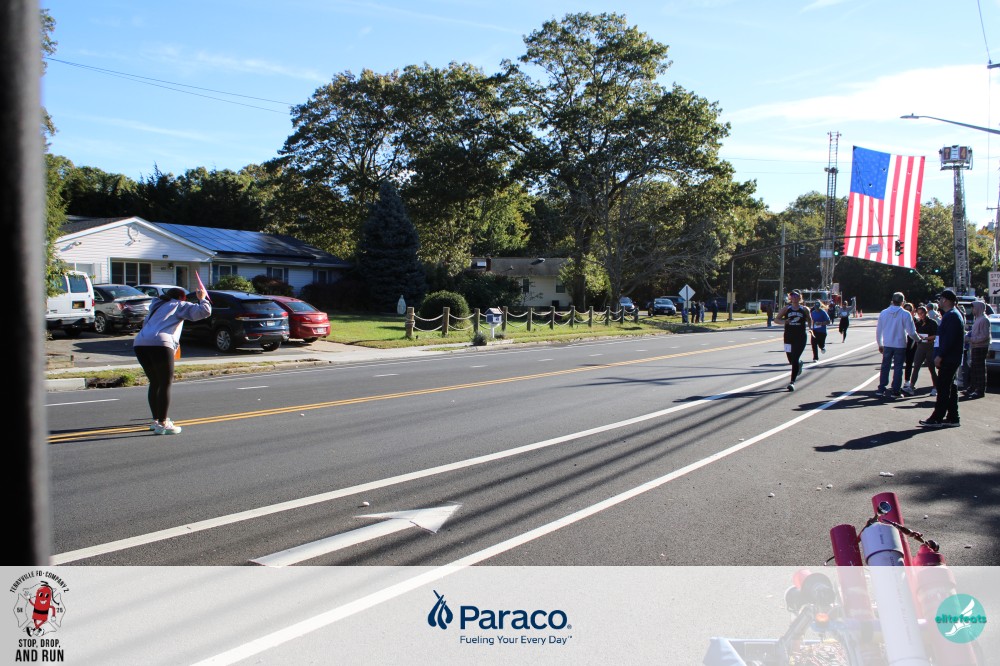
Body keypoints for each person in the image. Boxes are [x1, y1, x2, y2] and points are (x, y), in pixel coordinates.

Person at [133, 286, 212, 435]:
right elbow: (204, 312)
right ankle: (163, 424)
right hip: (161, 343)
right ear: (182, 297)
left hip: (140, 343)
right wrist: (202, 299)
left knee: (155, 382)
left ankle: (156, 420)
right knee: (165, 383)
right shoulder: (179, 304)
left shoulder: (156, 306)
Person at [920, 290, 965, 427]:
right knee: (950, 388)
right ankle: (953, 417)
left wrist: (940, 355)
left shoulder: (952, 316)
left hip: (948, 358)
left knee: (943, 388)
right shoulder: (952, 314)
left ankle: (937, 418)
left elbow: (949, 339)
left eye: (940, 299)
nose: (939, 301)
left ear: (945, 300)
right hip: (951, 357)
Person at [874, 291, 918, 399]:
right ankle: (895, 390)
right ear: (902, 302)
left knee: (885, 366)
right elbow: (911, 332)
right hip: (900, 344)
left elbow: (879, 330)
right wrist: (918, 340)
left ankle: (881, 388)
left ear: (892, 301)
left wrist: (880, 343)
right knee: (898, 367)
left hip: (887, 343)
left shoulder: (884, 312)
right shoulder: (905, 314)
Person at [777, 290, 812, 391]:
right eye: (792, 296)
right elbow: (776, 319)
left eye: (796, 296)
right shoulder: (786, 309)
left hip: (800, 337)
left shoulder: (804, 309)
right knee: (790, 360)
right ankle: (799, 363)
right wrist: (785, 321)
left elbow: (809, 319)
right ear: (790, 297)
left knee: (795, 358)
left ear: (800, 297)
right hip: (788, 337)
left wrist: (810, 328)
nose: (794, 298)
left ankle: (792, 382)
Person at [906, 305, 938, 396]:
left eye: (922, 313)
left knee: (931, 368)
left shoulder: (932, 322)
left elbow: (936, 335)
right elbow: (914, 333)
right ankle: (911, 386)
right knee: (916, 366)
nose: (921, 315)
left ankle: (935, 387)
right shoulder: (918, 323)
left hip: (930, 346)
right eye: (919, 313)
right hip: (920, 346)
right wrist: (918, 338)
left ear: (926, 312)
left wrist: (927, 338)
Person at [964, 300, 989, 400]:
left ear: (978, 308)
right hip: (975, 346)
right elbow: (974, 332)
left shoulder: (984, 320)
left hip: (980, 347)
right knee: (974, 369)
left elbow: (985, 336)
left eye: (973, 307)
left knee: (979, 369)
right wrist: (967, 334)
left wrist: (971, 339)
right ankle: (973, 388)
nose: (972, 310)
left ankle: (980, 390)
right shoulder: (978, 319)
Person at [901, 302, 918, 394]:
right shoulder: (901, 319)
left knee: (910, 363)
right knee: (900, 363)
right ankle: (897, 382)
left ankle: (908, 381)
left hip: (913, 344)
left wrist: (918, 340)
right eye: (906, 309)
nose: (908, 311)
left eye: (909, 310)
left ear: (913, 311)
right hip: (902, 344)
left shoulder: (916, 321)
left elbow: (916, 333)